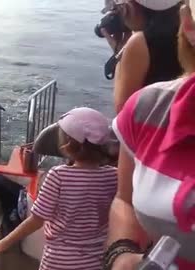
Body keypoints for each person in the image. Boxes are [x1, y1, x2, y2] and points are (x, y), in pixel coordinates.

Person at [104, 1, 195, 269]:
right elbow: (125, 198)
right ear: (187, 23)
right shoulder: (147, 108)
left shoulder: (138, 43)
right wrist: (121, 257)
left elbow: (119, 110)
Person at [0, 107, 118, 270]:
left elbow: (37, 219)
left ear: (67, 145)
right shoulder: (114, 176)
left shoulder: (58, 176)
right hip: (95, 261)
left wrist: (5, 242)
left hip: (57, 260)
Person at [102, 0, 182, 112]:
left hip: (157, 125)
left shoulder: (141, 42)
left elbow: (123, 111)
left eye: (118, 8)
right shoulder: (186, 26)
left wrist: (121, 53)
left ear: (129, 7)